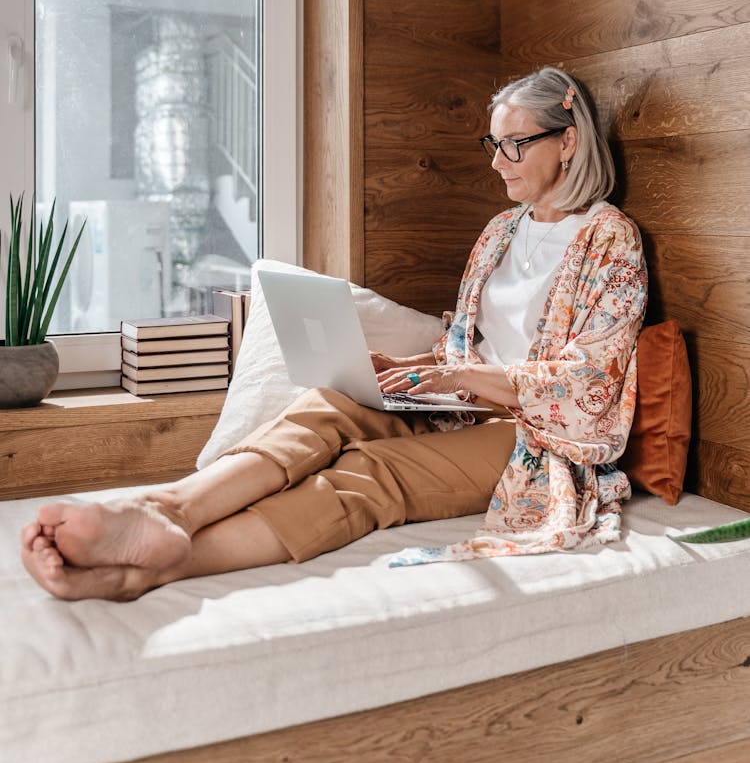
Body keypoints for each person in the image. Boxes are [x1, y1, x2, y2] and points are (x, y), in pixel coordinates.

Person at [21, 66, 647, 600]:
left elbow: (594, 381)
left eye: (515, 144)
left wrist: (469, 377)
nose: (495, 160)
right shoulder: (500, 233)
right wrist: (411, 367)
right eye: (493, 141)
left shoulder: (610, 238)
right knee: (328, 404)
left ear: (567, 142)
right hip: (460, 403)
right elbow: (471, 341)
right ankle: (165, 509)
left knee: (371, 469)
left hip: (532, 435)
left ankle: (162, 565)